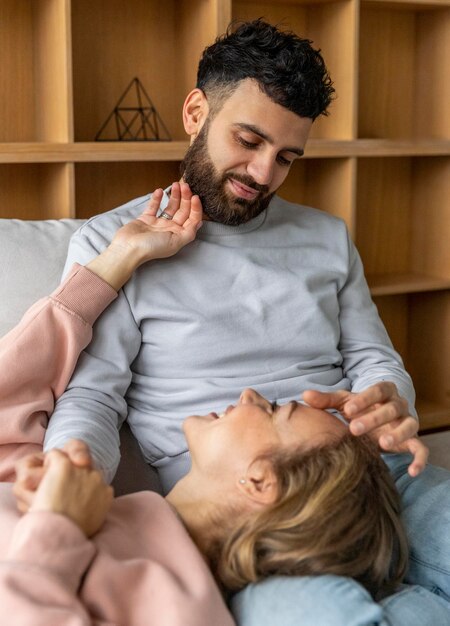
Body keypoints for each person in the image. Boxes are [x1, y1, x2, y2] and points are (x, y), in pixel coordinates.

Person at [37, 18, 450, 625]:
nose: (263, 175)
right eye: (248, 140)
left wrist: (390, 396)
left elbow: (373, 358)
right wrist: (67, 474)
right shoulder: (113, 243)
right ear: (196, 111)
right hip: (247, 512)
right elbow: (94, 398)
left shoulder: (326, 237)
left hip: (370, 468)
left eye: (286, 157)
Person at [0, 209, 417, 624]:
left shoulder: (182, 606)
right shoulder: (74, 490)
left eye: (274, 411)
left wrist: (58, 527)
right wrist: (113, 264)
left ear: (259, 481)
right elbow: (18, 390)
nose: (252, 393)